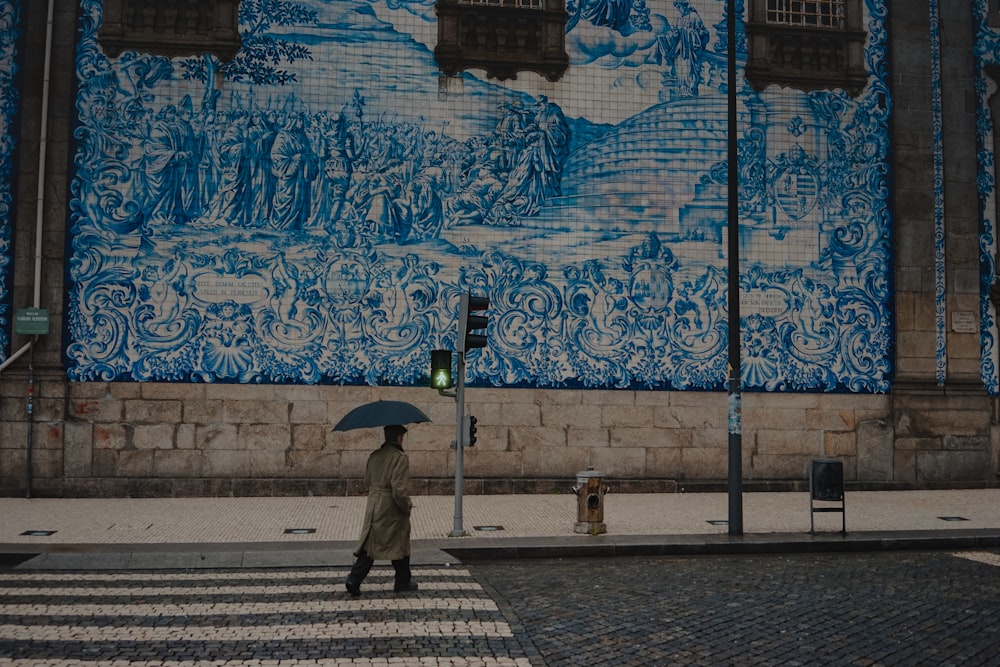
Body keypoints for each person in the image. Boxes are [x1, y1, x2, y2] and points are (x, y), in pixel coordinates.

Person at [345, 424, 418, 596]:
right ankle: (401, 581)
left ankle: (356, 578)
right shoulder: (400, 458)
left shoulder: (375, 455)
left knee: (372, 543)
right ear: (399, 438)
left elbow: (367, 480)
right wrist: (406, 505)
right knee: (398, 542)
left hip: (374, 503)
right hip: (390, 506)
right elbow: (398, 488)